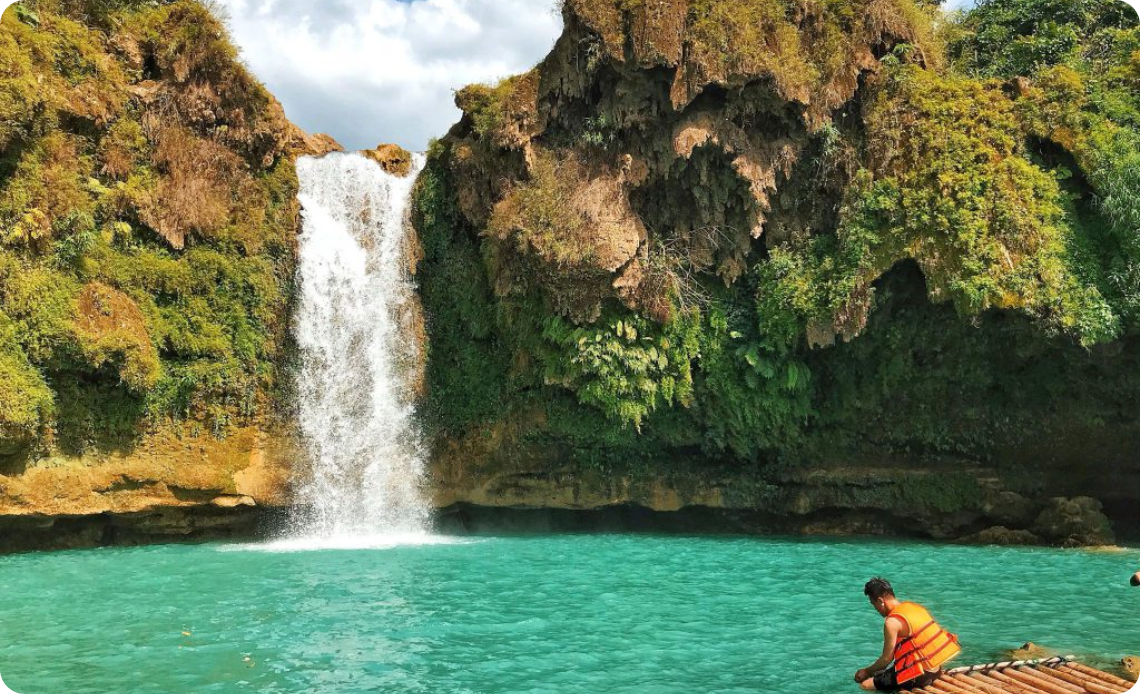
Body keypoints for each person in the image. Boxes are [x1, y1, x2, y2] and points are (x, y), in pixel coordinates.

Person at [854, 577, 962, 691]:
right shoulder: (913, 607)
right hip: (936, 669)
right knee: (883, 675)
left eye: (873, 603)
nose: (875, 608)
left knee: (865, 685)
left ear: (881, 601)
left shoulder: (891, 622)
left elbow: (886, 659)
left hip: (919, 676)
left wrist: (867, 671)